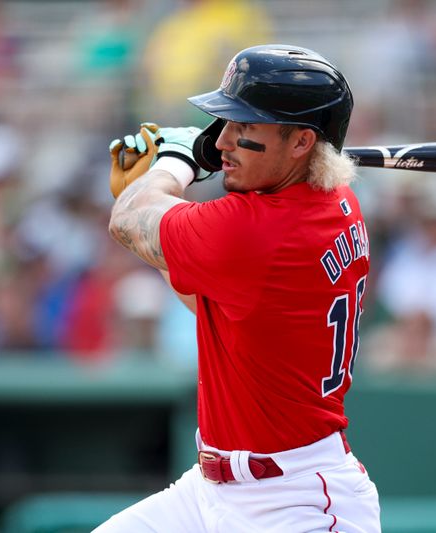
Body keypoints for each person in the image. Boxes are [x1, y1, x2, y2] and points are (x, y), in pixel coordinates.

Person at [96, 45, 380, 532]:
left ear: (301, 143)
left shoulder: (261, 229)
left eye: (245, 127)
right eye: (225, 123)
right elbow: (211, 298)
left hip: (294, 503)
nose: (223, 140)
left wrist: (175, 163)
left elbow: (127, 222)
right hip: (213, 489)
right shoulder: (331, 197)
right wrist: (150, 201)